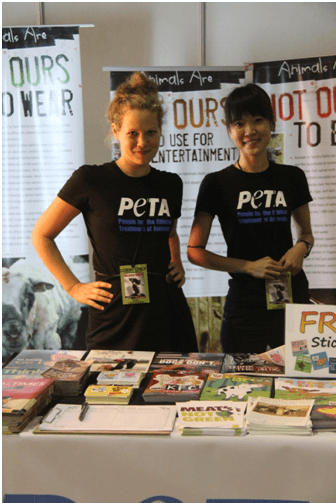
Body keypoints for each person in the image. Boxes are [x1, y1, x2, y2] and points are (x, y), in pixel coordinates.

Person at [32, 71, 197, 353]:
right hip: (113, 315)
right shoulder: (90, 180)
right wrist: (73, 287)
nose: (142, 142)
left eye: (151, 132)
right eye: (132, 133)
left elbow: (169, 232)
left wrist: (176, 261)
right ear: (116, 130)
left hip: (165, 311)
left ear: (160, 131)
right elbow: (42, 235)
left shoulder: (171, 184)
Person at [188, 83, 314, 354]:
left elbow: (306, 235)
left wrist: (300, 249)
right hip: (244, 305)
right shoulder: (216, 183)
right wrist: (248, 266)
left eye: (258, 120)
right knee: (240, 383)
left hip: (292, 298)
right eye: (239, 123)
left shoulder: (292, 177)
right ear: (229, 129)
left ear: (272, 122)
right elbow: (194, 251)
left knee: (301, 380)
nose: (249, 131)